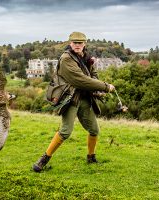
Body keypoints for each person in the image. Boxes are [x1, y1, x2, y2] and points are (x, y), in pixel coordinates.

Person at [32, 32, 115, 172]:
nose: (77, 45)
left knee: (94, 130)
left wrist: (98, 89)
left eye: (80, 43)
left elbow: (92, 75)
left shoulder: (87, 57)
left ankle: (91, 157)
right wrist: (105, 86)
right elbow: (79, 80)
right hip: (70, 98)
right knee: (65, 132)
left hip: (85, 98)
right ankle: (43, 159)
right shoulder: (66, 59)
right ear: (70, 44)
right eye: (74, 43)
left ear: (84, 44)